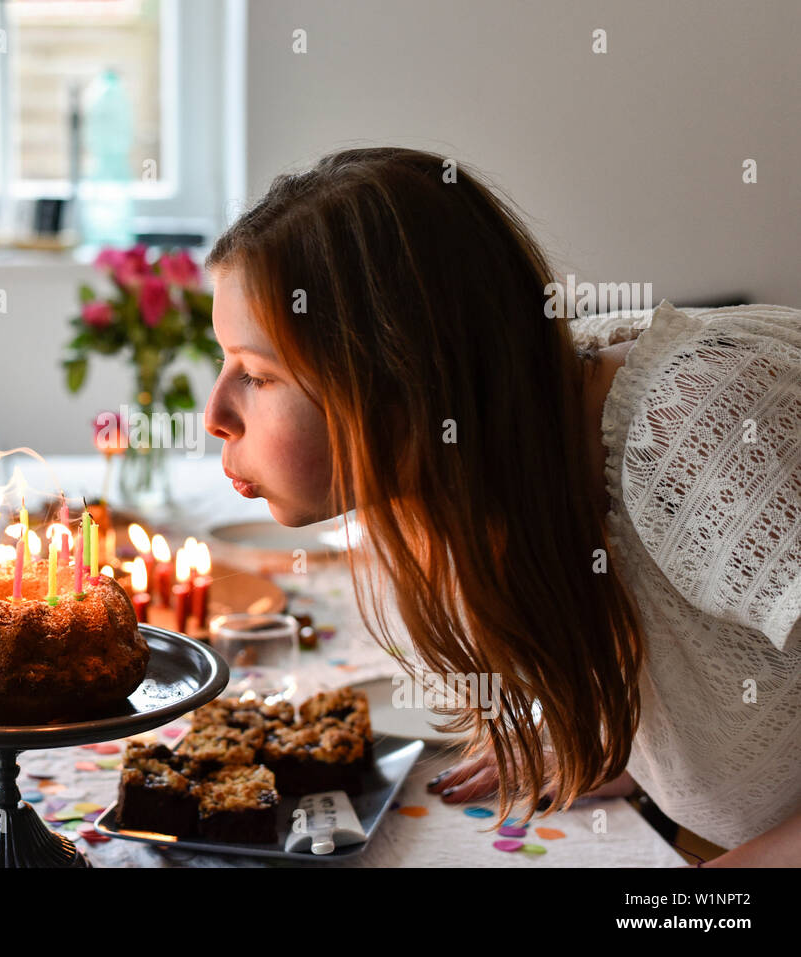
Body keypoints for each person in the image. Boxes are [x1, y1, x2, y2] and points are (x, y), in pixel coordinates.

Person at [201, 147, 801, 866]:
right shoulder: (507, 442)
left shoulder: (703, 426)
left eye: (258, 375)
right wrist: (623, 753)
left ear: (401, 381)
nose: (213, 414)